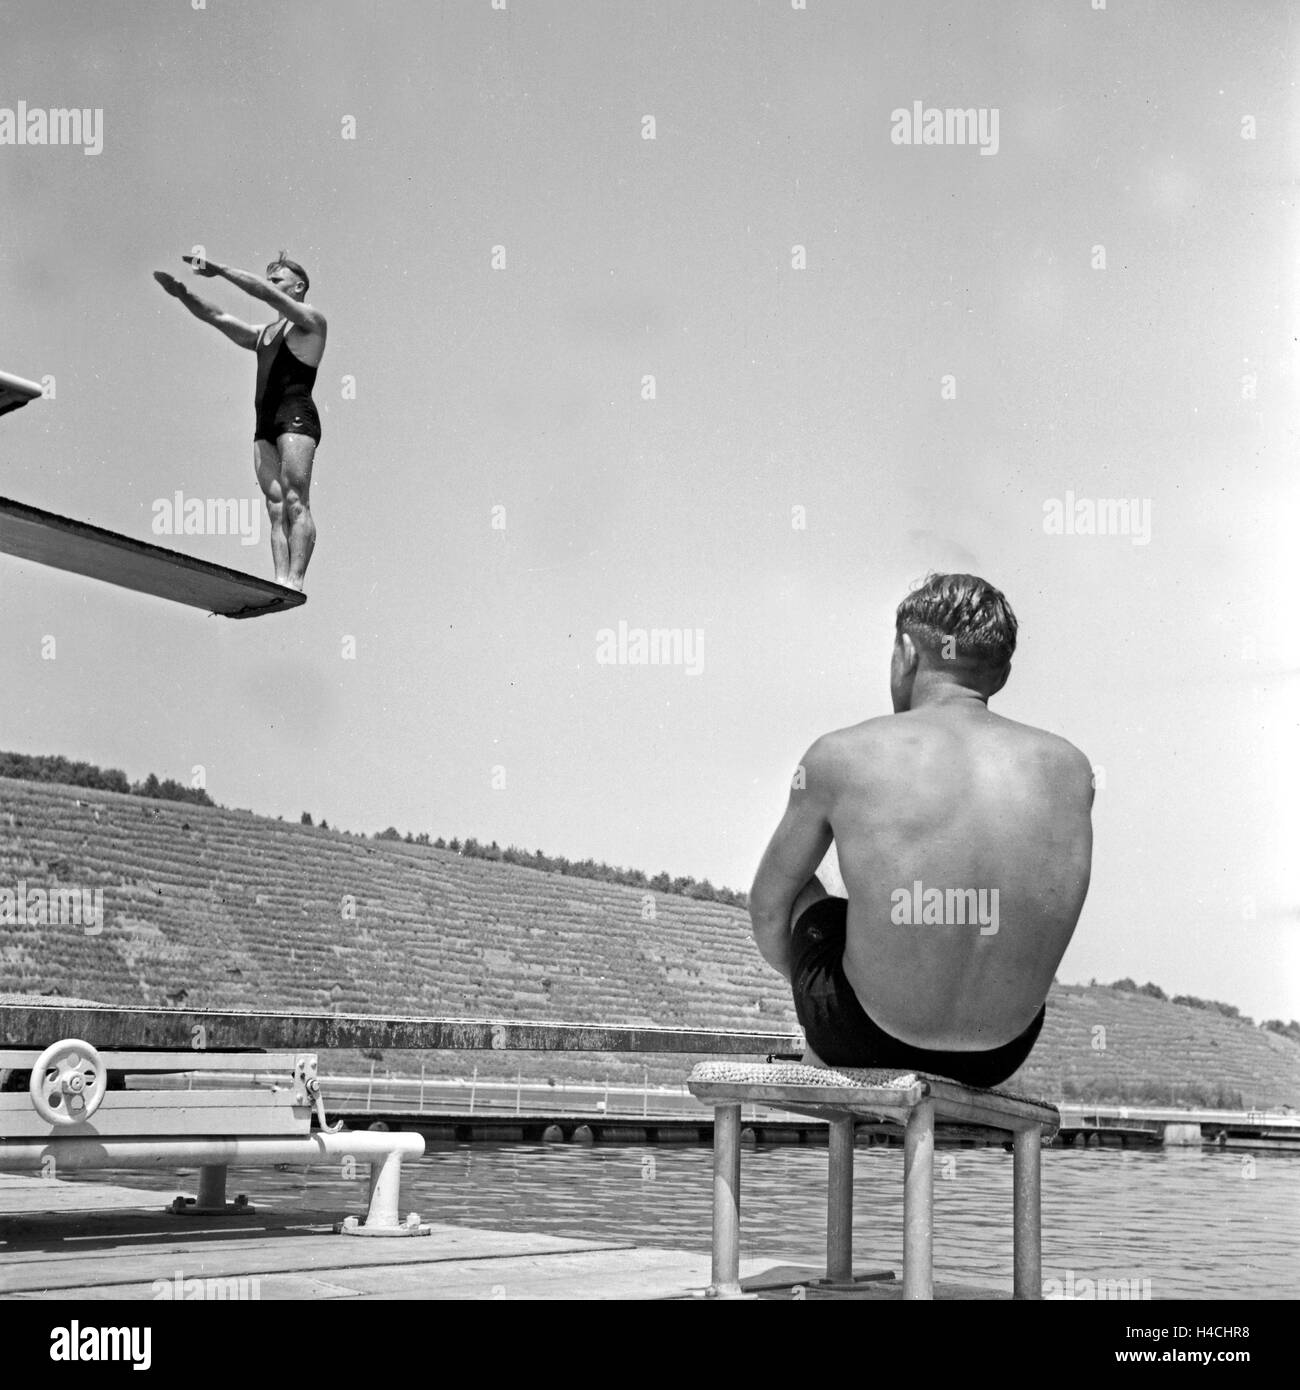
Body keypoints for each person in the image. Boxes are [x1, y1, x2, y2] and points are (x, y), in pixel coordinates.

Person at [749, 573, 1094, 1087]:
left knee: (800, 879)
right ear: (1001, 675)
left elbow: (768, 909)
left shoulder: (841, 754)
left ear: (906, 653)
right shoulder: (1072, 771)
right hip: (1000, 1053)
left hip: (858, 1037)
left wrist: (821, 1000)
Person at [153, 252, 326, 590]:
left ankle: (296, 579)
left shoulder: (312, 322)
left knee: (295, 500)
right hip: (265, 423)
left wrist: (219, 270)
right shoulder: (262, 334)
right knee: (275, 505)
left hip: (295, 417)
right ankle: (280, 579)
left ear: (299, 286)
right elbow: (216, 316)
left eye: (277, 279)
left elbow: (260, 292)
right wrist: (183, 294)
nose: (270, 283)